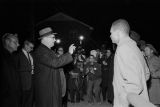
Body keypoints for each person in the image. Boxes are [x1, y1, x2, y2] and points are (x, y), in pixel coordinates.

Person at [109, 19, 151, 107]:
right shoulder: (135, 47)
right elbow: (146, 74)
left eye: (111, 33)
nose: (110, 36)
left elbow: (135, 84)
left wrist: (122, 101)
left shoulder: (123, 48)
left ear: (118, 32)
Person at [33, 27, 76, 107]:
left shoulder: (48, 51)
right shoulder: (41, 51)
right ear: (45, 38)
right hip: (46, 90)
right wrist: (69, 53)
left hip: (52, 87)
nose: (55, 40)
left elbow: (58, 62)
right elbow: (55, 63)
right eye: (53, 37)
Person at [0, 33, 21, 107]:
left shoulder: (12, 56)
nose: (18, 44)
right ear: (7, 42)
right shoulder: (3, 57)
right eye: (15, 42)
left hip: (13, 96)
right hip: (6, 99)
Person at [15, 40, 34, 107]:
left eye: (32, 48)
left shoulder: (31, 54)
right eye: (31, 47)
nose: (32, 49)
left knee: (30, 101)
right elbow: (15, 69)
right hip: (23, 83)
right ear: (26, 45)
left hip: (32, 81)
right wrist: (29, 68)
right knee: (23, 102)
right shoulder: (17, 55)